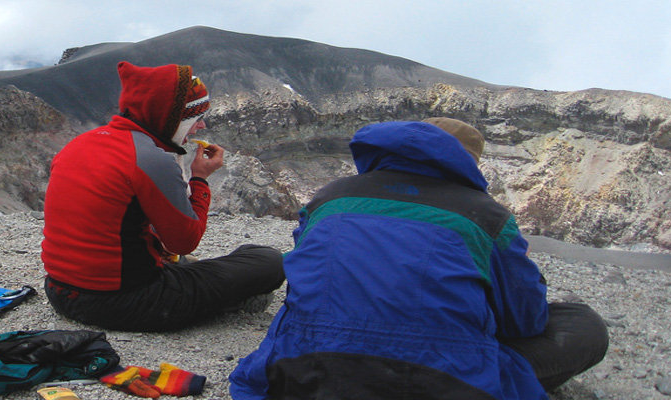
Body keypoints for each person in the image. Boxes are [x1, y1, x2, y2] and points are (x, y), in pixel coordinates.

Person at [229, 118, 609, 399]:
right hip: (437, 384)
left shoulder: (329, 198)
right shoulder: (487, 216)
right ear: (467, 164)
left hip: (303, 374)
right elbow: (523, 320)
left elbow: (305, 281)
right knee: (583, 324)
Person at [40, 61, 285, 332]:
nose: (201, 126)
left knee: (172, 256)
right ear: (171, 118)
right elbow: (184, 241)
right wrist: (200, 179)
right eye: (194, 118)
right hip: (123, 302)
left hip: (59, 291)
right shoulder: (150, 159)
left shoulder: (80, 143)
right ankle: (229, 302)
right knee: (268, 261)